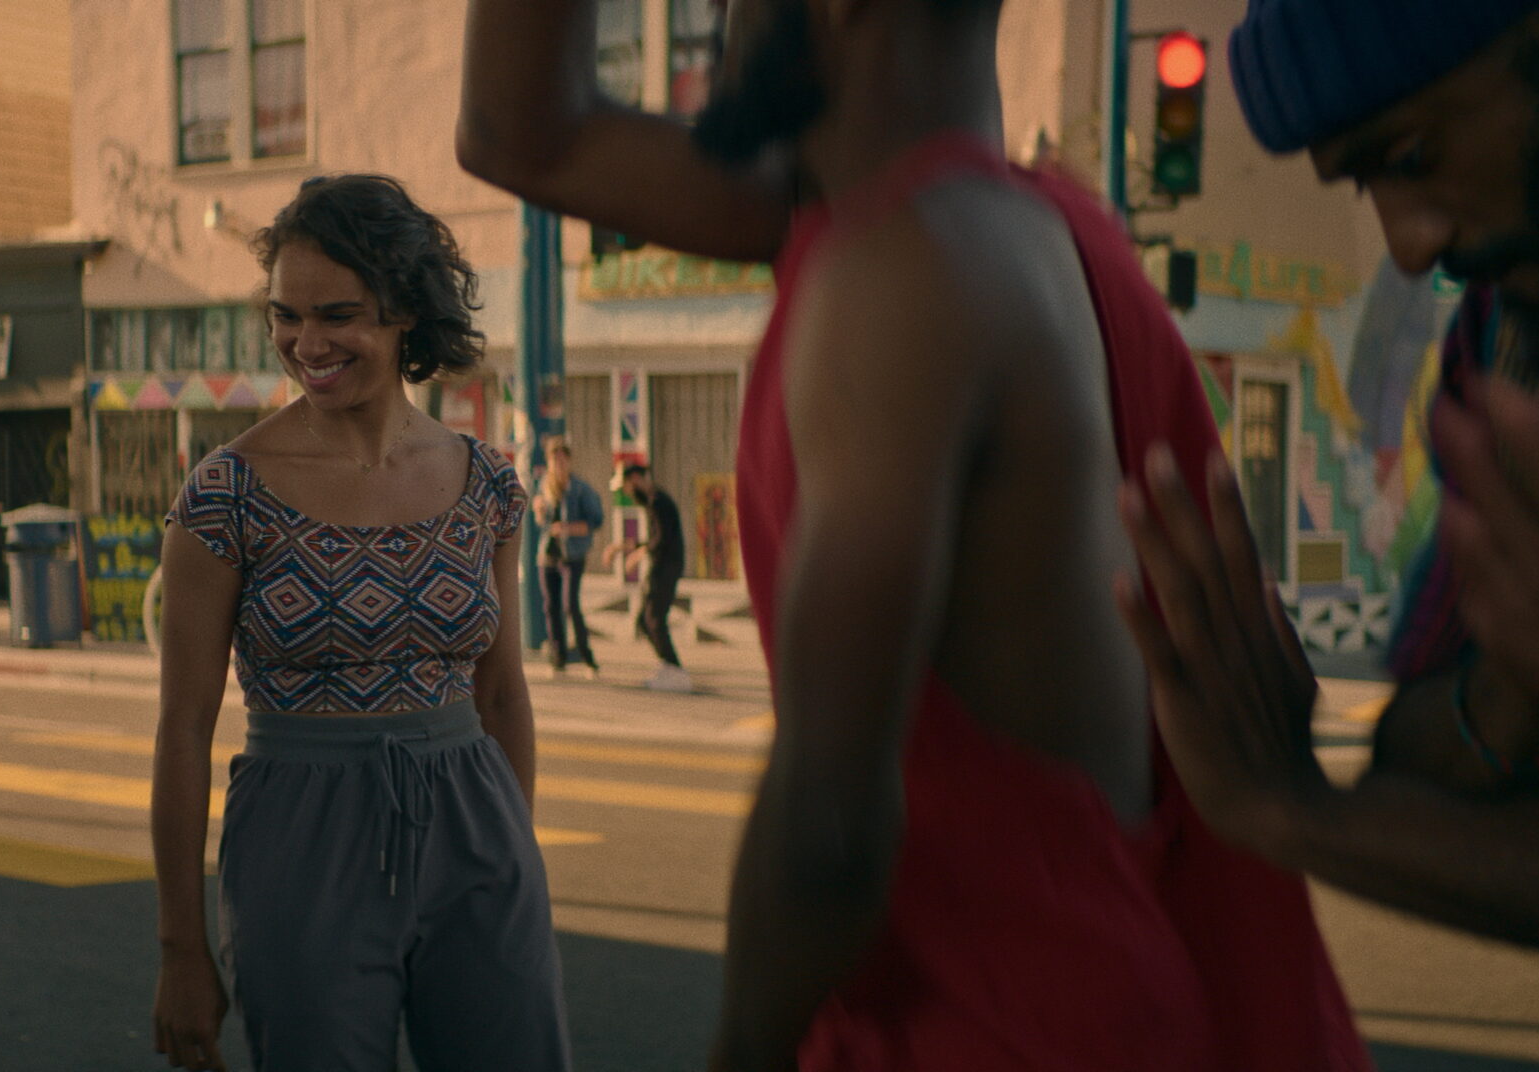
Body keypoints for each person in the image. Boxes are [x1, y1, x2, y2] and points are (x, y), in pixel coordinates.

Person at [459, 1, 1371, 1068]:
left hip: (984, 1032)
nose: (719, 23)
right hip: (1108, 1007)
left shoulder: (905, 271)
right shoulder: (1040, 232)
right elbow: (521, 131)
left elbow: (828, 814)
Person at [1118, 0, 1539, 1061]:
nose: (1409, 247)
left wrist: (1294, 815)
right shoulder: (1515, 342)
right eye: (1364, 182)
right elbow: (1414, 755)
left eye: (1414, 154)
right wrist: (1522, 693)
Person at [150, 173, 569, 1072]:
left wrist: (514, 859)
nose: (306, 343)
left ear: (405, 313)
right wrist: (181, 950)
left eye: (337, 315)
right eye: (284, 316)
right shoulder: (225, 496)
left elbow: (501, 691)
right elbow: (183, 728)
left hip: (477, 826)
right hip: (302, 841)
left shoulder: (488, 484)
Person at [606, 463, 691, 692]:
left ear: (634, 479)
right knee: (645, 620)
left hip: (666, 567)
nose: (626, 492)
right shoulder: (653, 501)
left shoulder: (658, 501)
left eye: (625, 486)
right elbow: (652, 539)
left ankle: (676, 670)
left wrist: (637, 555)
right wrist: (622, 548)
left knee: (654, 617)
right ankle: (668, 666)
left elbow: (661, 539)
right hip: (661, 566)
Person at [533, 436, 604, 677]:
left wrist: (567, 528)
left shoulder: (580, 489)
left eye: (562, 460)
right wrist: (539, 511)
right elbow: (541, 522)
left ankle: (587, 657)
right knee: (550, 607)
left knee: (570, 605)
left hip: (572, 555)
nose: (558, 465)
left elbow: (595, 521)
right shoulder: (544, 486)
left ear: (570, 461)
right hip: (548, 555)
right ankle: (558, 658)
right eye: (554, 460)